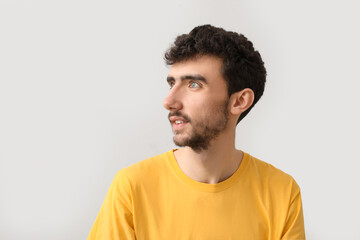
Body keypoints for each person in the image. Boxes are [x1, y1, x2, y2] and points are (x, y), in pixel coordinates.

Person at [87, 24, 305, 240]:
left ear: (239, 101)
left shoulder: (282, 192)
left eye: (193, 85)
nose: (169, 101)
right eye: (172, 83)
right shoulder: (132, 187)